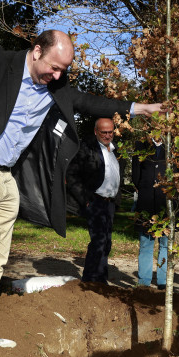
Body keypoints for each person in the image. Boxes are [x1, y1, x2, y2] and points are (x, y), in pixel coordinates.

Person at [0, 30, 165, 357]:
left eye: (62, 71)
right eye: (53, 67)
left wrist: (138, 108)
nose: (57, 76)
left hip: (6, 178)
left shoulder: (56, 84)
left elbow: (90, 101)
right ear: (37, 50)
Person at [65, 118, 125, 283]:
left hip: (110, 203)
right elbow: (71, 175)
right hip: (95, 201)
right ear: (95, 132)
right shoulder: (86, 149)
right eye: (103, 132)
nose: (107, 135)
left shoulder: (115, 150)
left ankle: (101, 279)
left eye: (110, 132)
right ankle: (90, 280)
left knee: (106, 242)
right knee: (98, 240)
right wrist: (85, 199)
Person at [131, 138, 169, 289]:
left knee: (165, 245)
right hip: (146, 203)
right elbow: (136, 175)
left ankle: (163, 282)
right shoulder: (141, 146)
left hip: (166, 205)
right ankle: (144, 282)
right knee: (146, 244)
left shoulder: (171, 145)